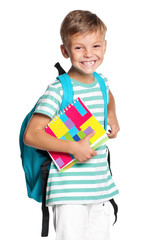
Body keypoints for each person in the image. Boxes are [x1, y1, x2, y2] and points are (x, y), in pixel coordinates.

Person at [24, 10, 120, 240]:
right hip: (69, 193)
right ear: (65, 51)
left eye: (95, 46)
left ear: (105, 46)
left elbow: (108, 94)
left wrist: (112, 113)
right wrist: (72, 148)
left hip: (101, 188)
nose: (89, 54)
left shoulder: (101, 81)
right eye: (79, 48)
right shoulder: (58, 90)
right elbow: (32, 135)